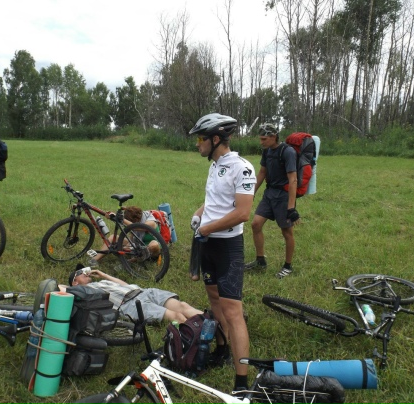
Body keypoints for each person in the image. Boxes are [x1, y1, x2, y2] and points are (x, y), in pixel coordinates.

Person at [189, 113, 256, 393]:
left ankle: (242, 383)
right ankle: (223, 349)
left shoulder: (243, 168)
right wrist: (199, 213)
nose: (198, 144)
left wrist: (207, 228)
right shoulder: (215, 165)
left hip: (227, 246)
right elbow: (216, 202)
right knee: (214, 300)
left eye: (201, 138)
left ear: (216, 139)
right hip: (208, 244)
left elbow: (242, 213)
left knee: (233, 311)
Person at [244, 123, 300, 278]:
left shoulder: (287, 152)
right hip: (269, 194)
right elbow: (262, 172)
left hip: (283, 196)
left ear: (273, 136)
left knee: (286, 231)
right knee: (255, 224)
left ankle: (288, 266)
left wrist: (291, 207)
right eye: (260, 139)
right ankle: (260, 261)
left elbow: (293, 180)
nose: (261, 142)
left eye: (264, 139)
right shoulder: (267, 151)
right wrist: (250, 193)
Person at [63, 264, 202, 323]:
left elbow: (124, 285)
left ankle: (211, 323)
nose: (86, 273)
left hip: (143, 291)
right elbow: (60, 288)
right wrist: (71, 288)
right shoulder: (82, 292)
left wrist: (103, 275)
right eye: (81, 273)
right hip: (130, 305)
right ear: (75, 282)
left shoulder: (100, 282)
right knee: (176, 316)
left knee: (183, 306)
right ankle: (198, 335)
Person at [88, 205, 161, 266]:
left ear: (136, 219)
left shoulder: (151, 221)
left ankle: (129, 262)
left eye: (131, 221)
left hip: (152, 251)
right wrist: (112, 216)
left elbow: (138, 227)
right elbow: (132, 239)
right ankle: (94, 259)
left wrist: (122, 219)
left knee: (154, 244)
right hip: (138, 247)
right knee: (113, 237)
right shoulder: (136, 221)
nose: (130, 223)